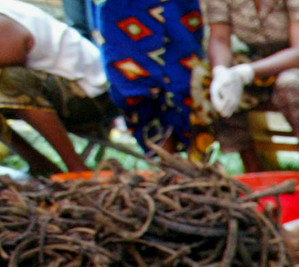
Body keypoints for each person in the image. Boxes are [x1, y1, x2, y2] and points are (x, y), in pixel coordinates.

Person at [204, 0, 299, 173]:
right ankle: (252, 167)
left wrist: (245, 73)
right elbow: (219, 37)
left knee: (290, 84)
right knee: (214, 82)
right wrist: (221, 71)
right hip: (257, 58)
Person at [0, 0, 115, 174]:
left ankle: (78, 169)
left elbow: (15, 52)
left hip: (94, 97)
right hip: (61, 94)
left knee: (8, 79)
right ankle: (45, 169)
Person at [97, 0, 213, 157]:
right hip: (121, 10)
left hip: (176, 7)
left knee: (188, 83)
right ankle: (166, 164)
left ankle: (198, 165)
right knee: (133, 91)